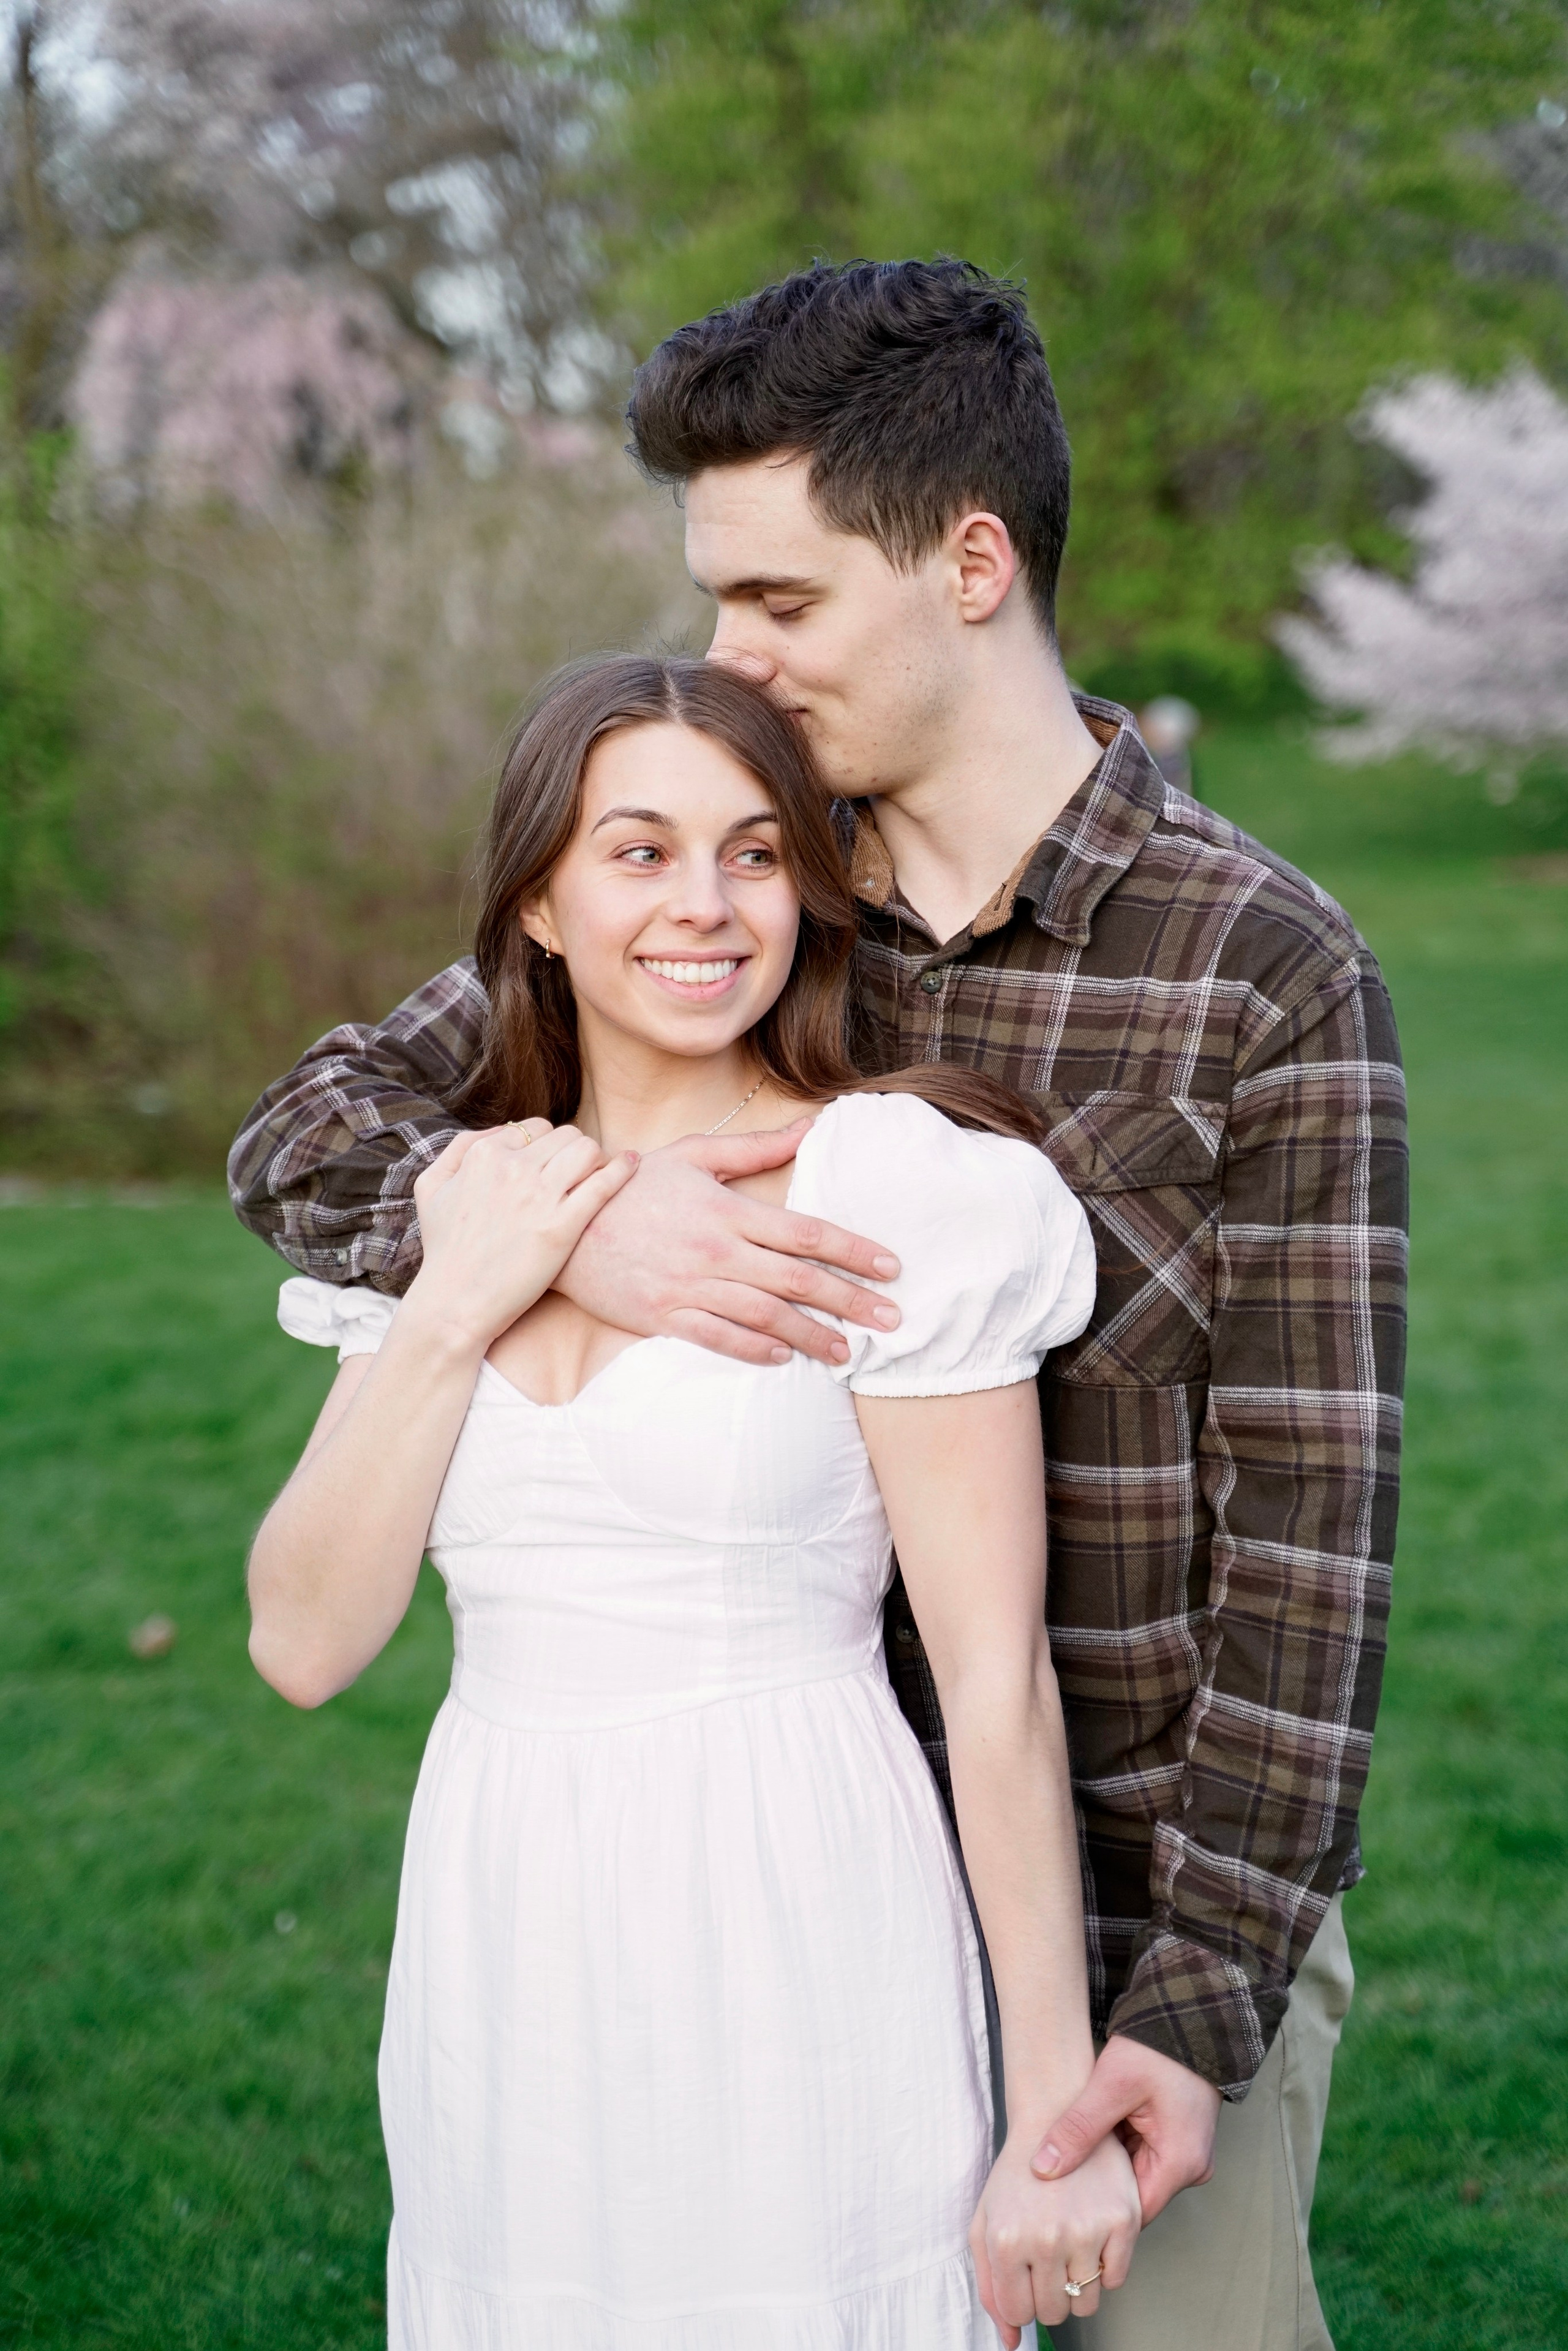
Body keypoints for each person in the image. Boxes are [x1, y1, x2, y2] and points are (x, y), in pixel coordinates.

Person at [230, 260, 1408, 2351]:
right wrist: (572, 1228)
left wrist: (1192, 2005)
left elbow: (1313, 1551)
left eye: (774, 604)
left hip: (1141, 1892)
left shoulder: (1263, 969)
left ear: (968, 564)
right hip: (731, 1876)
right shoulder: (733, 870)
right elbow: (313, 1133)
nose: (724, 651)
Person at [247, 652, 1142, 2346]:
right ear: (537, 900)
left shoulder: (885, 1185)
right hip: (507, 1921)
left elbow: (997, 1685)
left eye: (754, 851)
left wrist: (1051, 2121)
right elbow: (302, 1641)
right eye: (640, 851)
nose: (708, 906)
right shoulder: (477, 1193)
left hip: (793, 1896)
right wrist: (466, 1287)